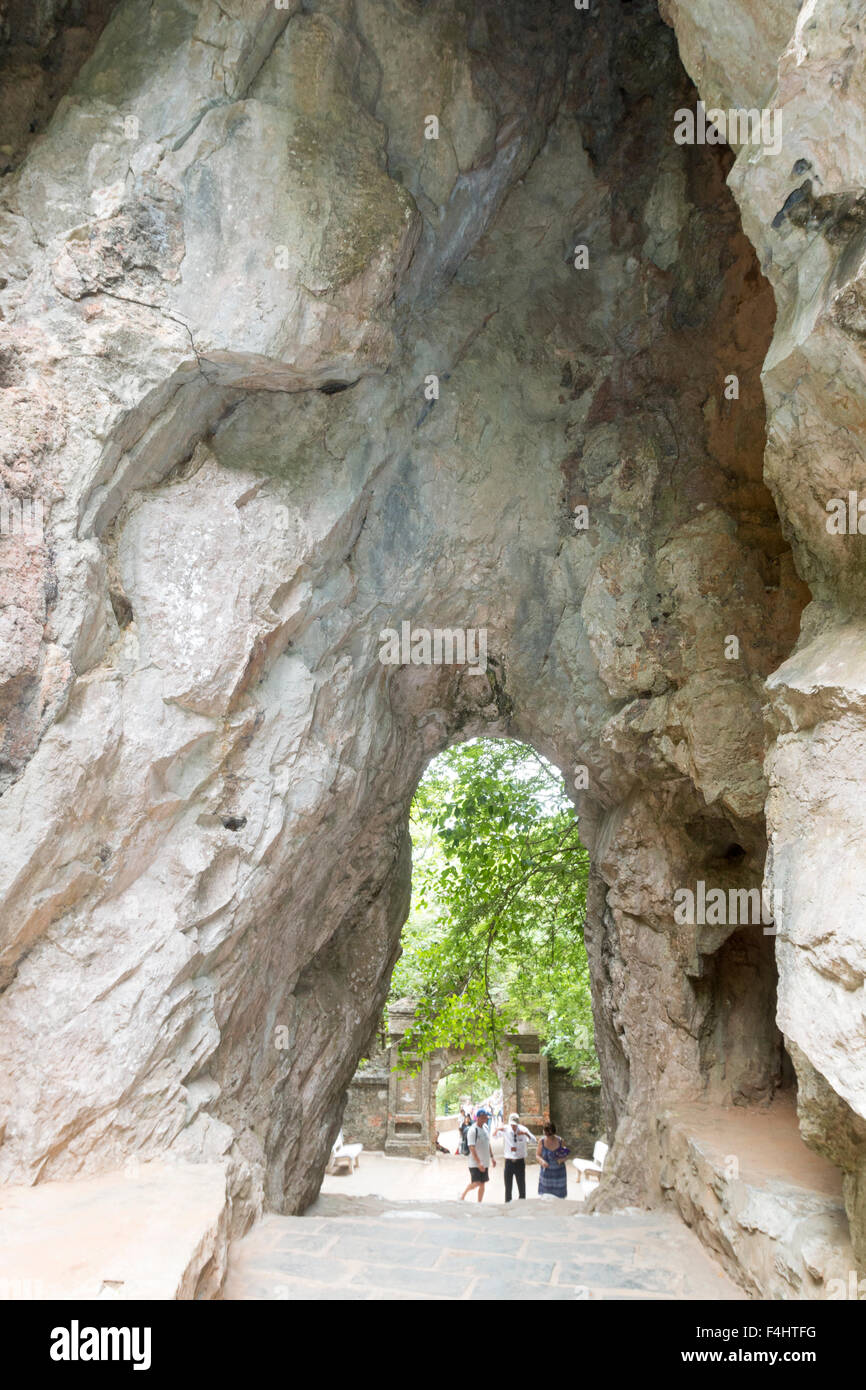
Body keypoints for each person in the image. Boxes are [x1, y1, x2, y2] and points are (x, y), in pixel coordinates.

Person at [493, 1112, 536, 1202]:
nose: (513, 1127)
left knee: (521, 1186)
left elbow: (534, 1141)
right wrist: (497, 1129)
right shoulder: (506, 1129)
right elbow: (494, 1137)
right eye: (512, 1125)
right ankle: (508, 1204)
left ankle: (521, 1204)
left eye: (515, 1125)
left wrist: (525, 1134)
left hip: (520, 1162)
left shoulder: (523, 1129)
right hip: (508, 1162)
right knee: (508, 1187)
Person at [460, 1105, 495, 1201]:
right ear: (479, 1117)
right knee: (476, 1183)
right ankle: (463, 1195)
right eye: (484, 1117)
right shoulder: (473, 1130)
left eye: (486, 1117)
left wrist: (492, 1157)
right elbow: (472, 1147)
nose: (486, 1118)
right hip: (475, 1163)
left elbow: (488, 1143)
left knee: (483, 1183)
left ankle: (479, 1203)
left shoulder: (486, 1127)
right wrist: (478, 1162)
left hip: (485, 1161)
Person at [537, 1120, 568, 1199]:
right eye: (548, 1135)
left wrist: (562, 1159)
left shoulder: (561, 1141)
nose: (550, 1137)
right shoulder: (542, 1141)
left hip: (559, 1175)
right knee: (546, 1199)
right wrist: (542, 1161)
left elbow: (565, 1155)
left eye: (551, 1135)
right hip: (546, 1176)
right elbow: (538, 1155)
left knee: (559, 1200)